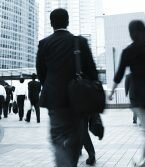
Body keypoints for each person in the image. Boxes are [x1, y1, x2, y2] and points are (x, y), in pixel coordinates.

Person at [36, 8, 98, 167]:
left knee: (58, 138)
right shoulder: (80, 42)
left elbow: (41, 73)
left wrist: (50, 88)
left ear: (51, 23)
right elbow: (92, 72)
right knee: (76, 138)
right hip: (79, 101)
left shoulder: (44, 44)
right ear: (68, 21)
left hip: (55, 101)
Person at [109, 20, 145, 167]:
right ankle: (143, 162)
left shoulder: (129, 51)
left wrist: (111, 92)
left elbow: (119, 74)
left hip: (139, 96)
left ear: (131, 33)